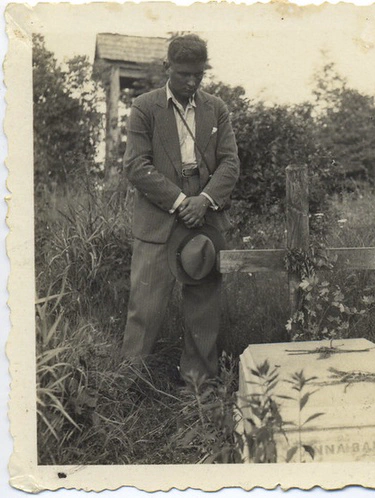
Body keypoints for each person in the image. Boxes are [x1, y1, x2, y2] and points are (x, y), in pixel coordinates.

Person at [121, 34, 240, 384]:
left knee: (204, 309)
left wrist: (203, 201)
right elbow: (136, 165)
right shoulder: (145, 107)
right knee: (144, 309)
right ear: (166, 68)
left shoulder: (217, 108)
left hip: (204, 215)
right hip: (159, 219)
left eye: (198, 75)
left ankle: (199, 393)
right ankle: (125, 391)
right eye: (184, 74)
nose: (192, 82)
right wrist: (179, 202)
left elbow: (230, 163)